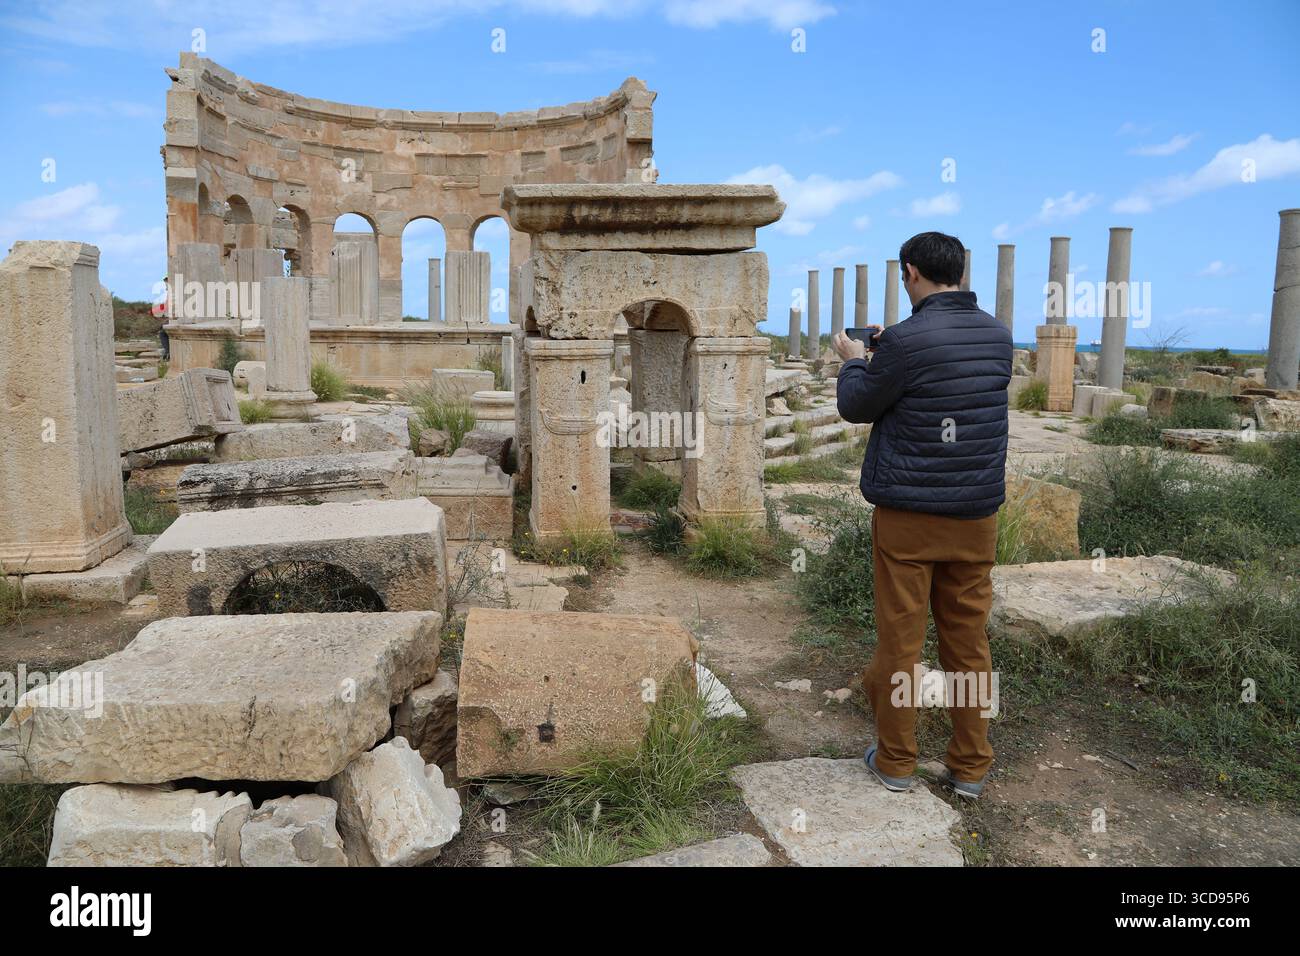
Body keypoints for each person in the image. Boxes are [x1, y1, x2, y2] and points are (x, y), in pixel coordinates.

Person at [832, 231, 1012, 800]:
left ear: (910, 272)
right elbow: (947, 376)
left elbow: (857, 406)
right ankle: (971, 767)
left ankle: (897, 762)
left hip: (909, 517)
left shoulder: (906, 343)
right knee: (968, 643)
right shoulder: (999, 336)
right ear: (960, 270)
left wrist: (856, 362)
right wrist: (892, 350)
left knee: (901, 642)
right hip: (975, 517)